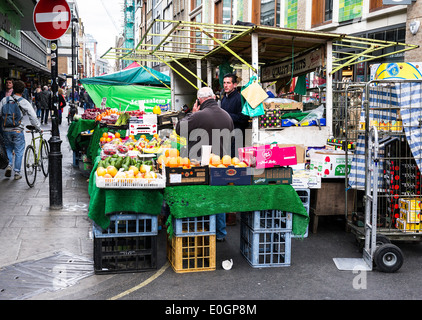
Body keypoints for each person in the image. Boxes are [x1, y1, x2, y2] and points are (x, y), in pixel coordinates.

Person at [175, 87, 234, 241]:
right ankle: (220, 233)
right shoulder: (227, 116)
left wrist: (192, 113)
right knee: (218, 198)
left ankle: (200, 230)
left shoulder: (199, 115)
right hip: (221, 164)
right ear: (213, 97)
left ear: (199, 100)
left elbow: (179, 129)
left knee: (200, 197)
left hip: (200, 164)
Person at [0, 80, 41, 180]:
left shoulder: (4, 100)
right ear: (23, 90)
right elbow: (33, 116)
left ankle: (9, 164)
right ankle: (17, 172)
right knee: (18, 150)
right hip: (18, 129)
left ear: (14, 88)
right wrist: (38, 128)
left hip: (6, 129)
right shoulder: (24, 101)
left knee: (8, 148)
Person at [221, 73, 250, 157]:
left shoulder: (240, 99)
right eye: (224, 83)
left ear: (234, 85)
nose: (225, 85)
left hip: (237, 137)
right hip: (226, 136)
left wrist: (226, 115)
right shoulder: (224, 99)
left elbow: (244, 119)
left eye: (228, 83)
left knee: (235, 163)